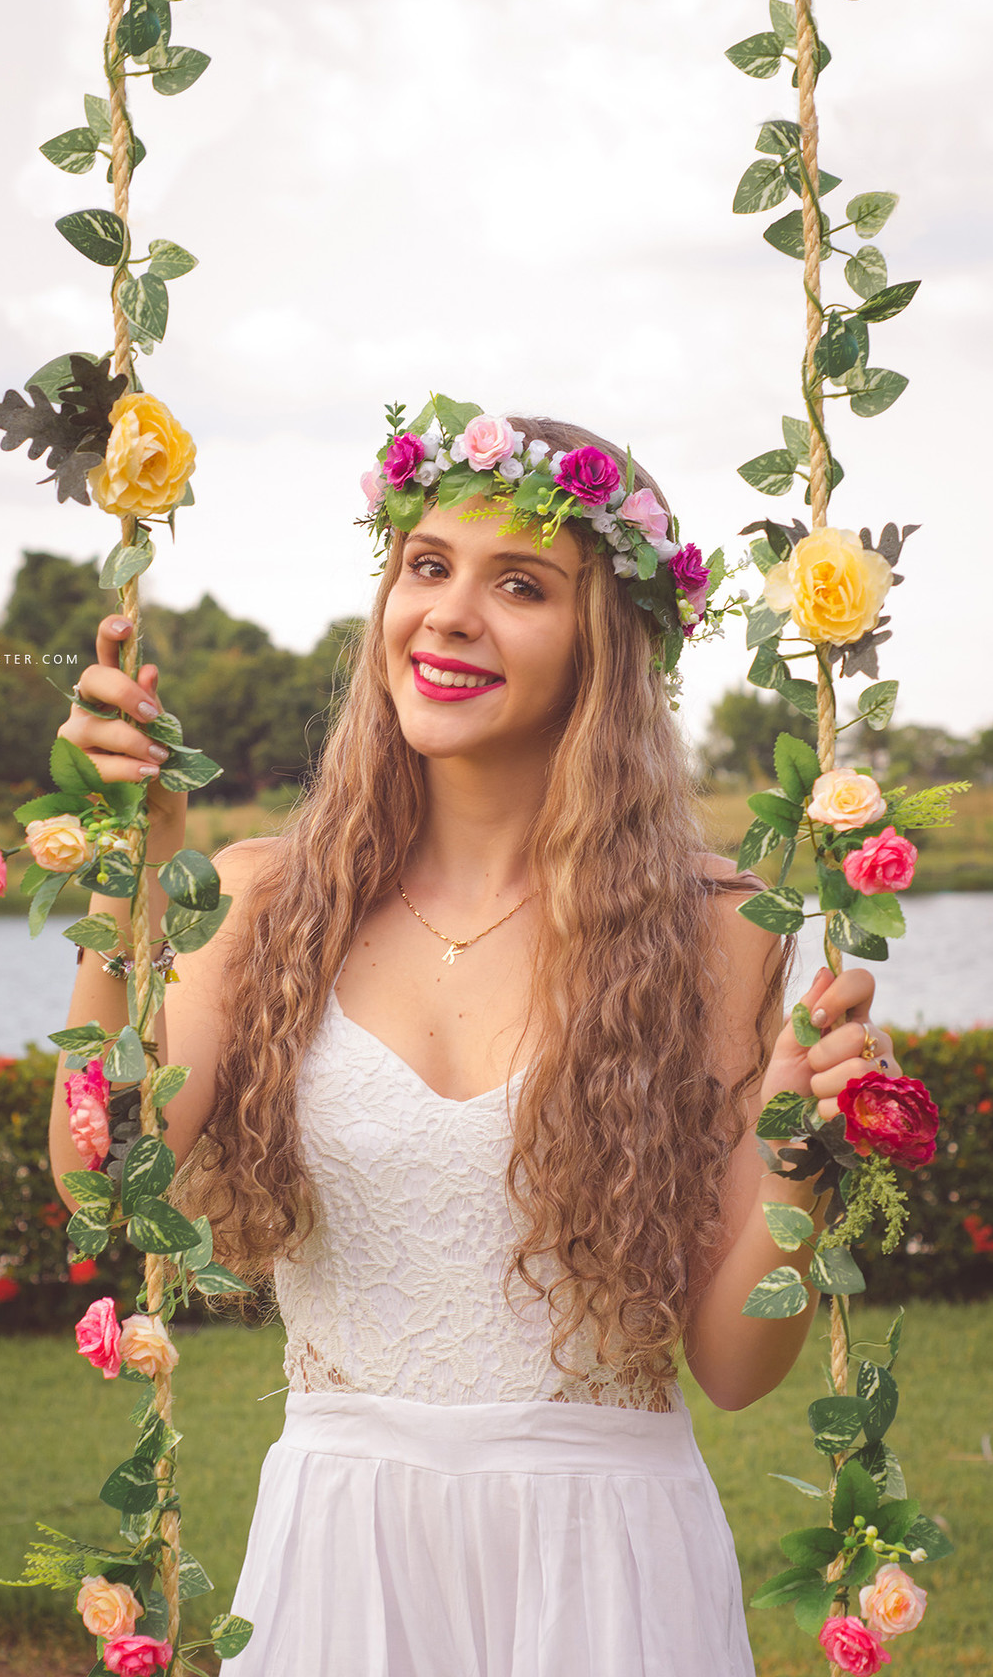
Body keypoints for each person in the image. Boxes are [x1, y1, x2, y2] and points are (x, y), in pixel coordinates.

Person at [48, 409, 900, 1677]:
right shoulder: (259, 900)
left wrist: (797, 1150)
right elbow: (101, 1185)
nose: (447, 613)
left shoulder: (719, 932)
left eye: (519, 584)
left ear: (603, 649)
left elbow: (731, 1365)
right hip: (342, 1551)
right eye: (427, 566)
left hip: (607, 1558)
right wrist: (123, 893)